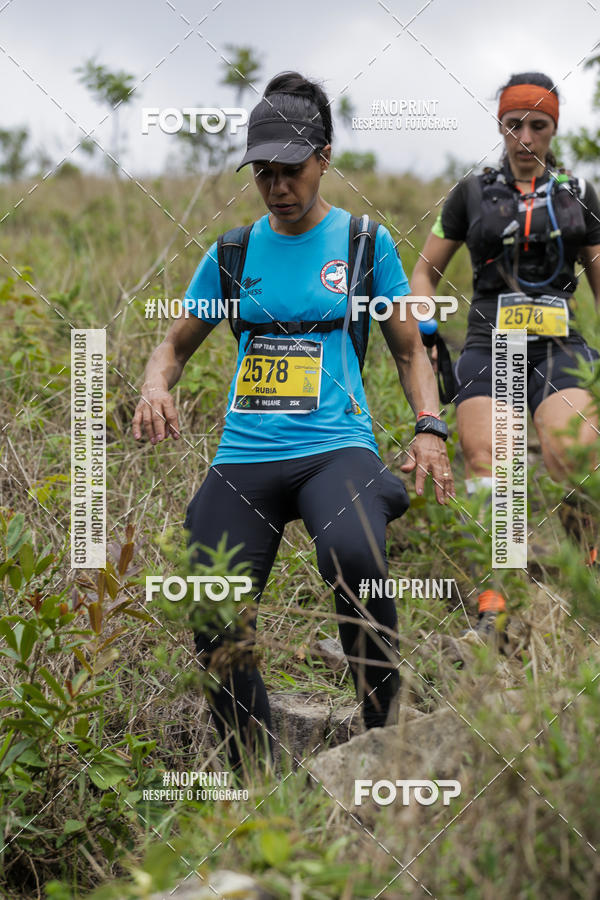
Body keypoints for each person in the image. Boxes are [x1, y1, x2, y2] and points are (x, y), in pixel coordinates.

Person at [132, 71, 454, 775]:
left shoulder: (366, 244)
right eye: (264, 173)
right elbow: (174, 346)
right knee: (209, 595)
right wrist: (156, 385)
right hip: (245, 458)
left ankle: (382, 737)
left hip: (335, 449)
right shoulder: (233, 253)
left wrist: (429, 425)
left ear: (325, 158)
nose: (279, 185)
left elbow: (409, 350)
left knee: (354, 552)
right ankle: (251, 774)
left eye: (293, 169)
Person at [412, 71, 600, 638]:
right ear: (500, 124)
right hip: (488, 347)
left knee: (577, 452)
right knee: (494, 468)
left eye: (538, 126)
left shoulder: (578, 194)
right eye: (514, 124)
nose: (525, 137)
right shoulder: (472, 192)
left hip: (558, 347)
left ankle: (588, 574)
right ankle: (498, 597)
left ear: (553, 130)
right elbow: (425, 270)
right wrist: (425, 325)